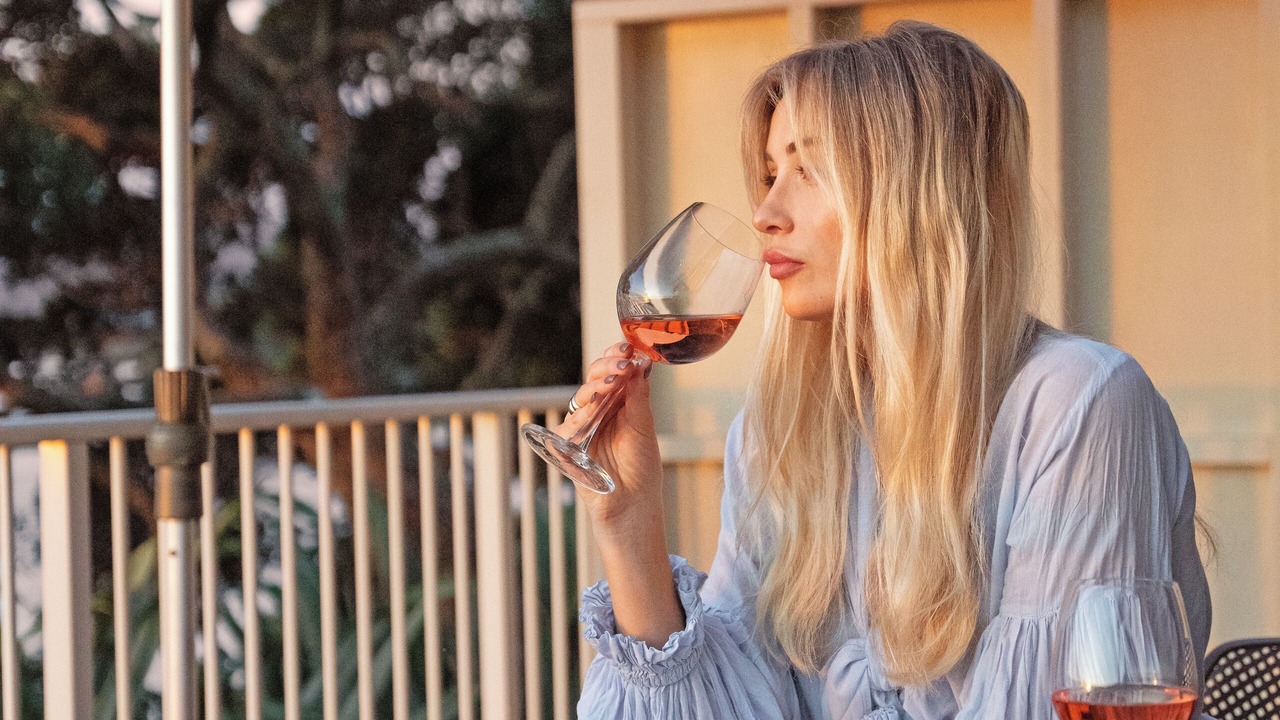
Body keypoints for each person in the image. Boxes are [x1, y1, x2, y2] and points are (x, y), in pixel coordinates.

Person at [555, 20, 1212, 719]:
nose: (766, 212)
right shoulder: (777, 436)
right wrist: (629, 524)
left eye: (809, 169)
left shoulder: (1076, 404)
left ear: (920, 192)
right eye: (772, 173)